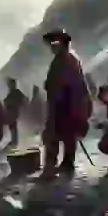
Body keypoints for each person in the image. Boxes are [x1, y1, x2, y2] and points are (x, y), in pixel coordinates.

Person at [40, 29, 93, 179]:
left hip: (67, 105)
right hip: (62, 105)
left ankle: (56, 168)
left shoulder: (68, 60)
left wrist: (72, 108)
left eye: (55, 43)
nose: (52, 46)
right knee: (62, 136)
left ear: (64, 44)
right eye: (51, 43)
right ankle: (63, 165)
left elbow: (72, 86)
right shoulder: (61, 59)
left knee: (58, 136)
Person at [4, 78, 28, 146]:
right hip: (11, 112)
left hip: (13, 112)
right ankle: (14, 140)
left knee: (13, 126)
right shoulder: (12, 92)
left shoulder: (16, 92)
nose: (9, 86)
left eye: (10, 84)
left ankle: (15, 141)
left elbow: (23, 100)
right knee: (12, 126)